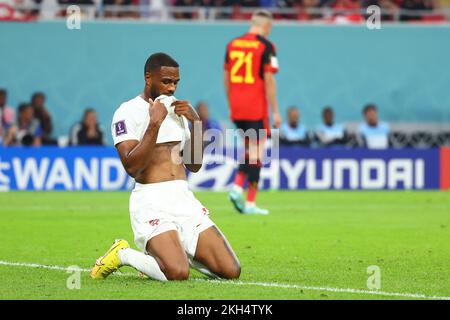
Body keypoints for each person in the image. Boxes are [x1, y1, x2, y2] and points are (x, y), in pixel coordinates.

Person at [90, 53, 241, 281]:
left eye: (175, 82)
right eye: (166, 81)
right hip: (151, 202)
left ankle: (169, 254)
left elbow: (193, 164)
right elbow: (132, 167)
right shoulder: (127, 111)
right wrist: (155, 123)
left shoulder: (176, 110)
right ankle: (123, 254)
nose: (172, 88)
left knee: (231, 270)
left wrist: (197, 123)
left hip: (183, 198)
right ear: (148, 78)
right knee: (178, 273)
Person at [224, 9, 281, 215]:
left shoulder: (232, 45)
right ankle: (240, 191)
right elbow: (269, 81)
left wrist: (232, 103)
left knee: (250, 151)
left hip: (237, 107)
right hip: (256, 108)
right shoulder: (267, 46)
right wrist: (275, 111)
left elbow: (226, 77)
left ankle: (246, 200)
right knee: (258, 153)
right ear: (267, 26)